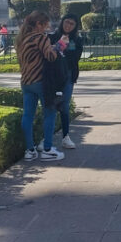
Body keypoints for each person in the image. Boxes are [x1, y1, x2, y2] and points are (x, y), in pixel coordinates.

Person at [17, 11, 65, 161]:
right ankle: (47, 149)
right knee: (50, 113)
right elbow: (50, 56)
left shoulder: (21, 39)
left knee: (28, 116)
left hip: (26, 82)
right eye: (45, 25)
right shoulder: (40, 37)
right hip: (40, 81)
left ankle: (30, 150)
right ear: (38, 24)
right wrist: (59, 47)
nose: (46, 28)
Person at [47, 12, 83, 150]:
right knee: (50, 106)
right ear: (62, 22)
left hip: (68, 76)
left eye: (72, 24)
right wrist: (61, 44)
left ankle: (66, 136)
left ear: (75, 26)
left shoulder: (77, 40)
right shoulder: (52, 37)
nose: (68, 26)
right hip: (53, 76)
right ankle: (46, 137)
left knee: (64, 106)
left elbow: (74, 59)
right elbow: (50, 56)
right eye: (67, 22)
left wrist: (63, 49)